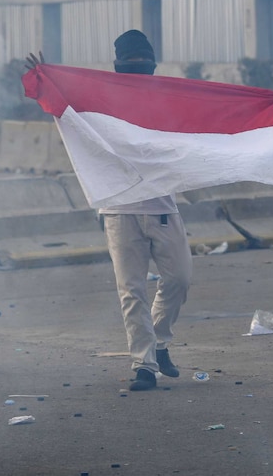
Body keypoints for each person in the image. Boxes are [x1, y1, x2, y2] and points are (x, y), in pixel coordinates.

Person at [25, 30, 193, 392]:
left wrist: (261, 113)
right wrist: (43, 79)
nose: (138, 71)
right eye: (131, 66)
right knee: (132, 291)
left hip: (162, 205)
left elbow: (212, 115)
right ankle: (144, 365)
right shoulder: (100, 97)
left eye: (142, 66)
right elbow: (63, 106)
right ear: (117, 67)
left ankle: (159, 342)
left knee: (179, 279)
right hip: (119, 209)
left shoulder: (168, 97)